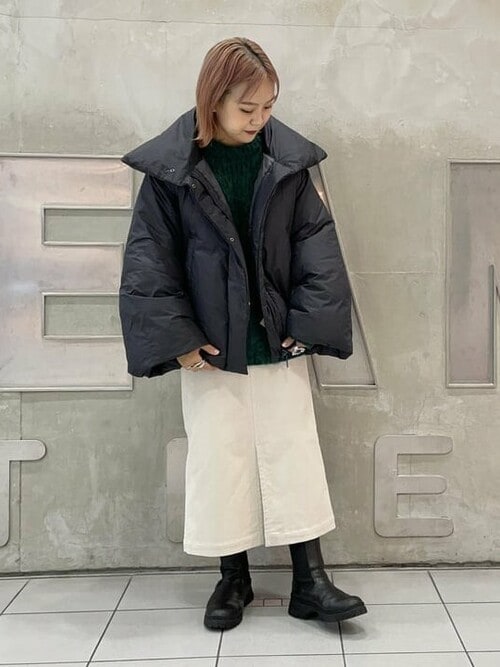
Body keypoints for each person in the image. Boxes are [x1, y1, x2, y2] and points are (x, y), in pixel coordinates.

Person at [119, 36, 367, 631]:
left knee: (294, 453)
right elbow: (150, 260)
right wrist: (180, 341)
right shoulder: (173, 171)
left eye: (268, 106)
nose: (259, 119)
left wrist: (307, 326)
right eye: (246, 107)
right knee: (220, 459)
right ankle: (233, 579)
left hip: (278, 340)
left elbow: (317, 247)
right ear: (213, 100)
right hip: (210, 345)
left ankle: (310, 582)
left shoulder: (288, 163)